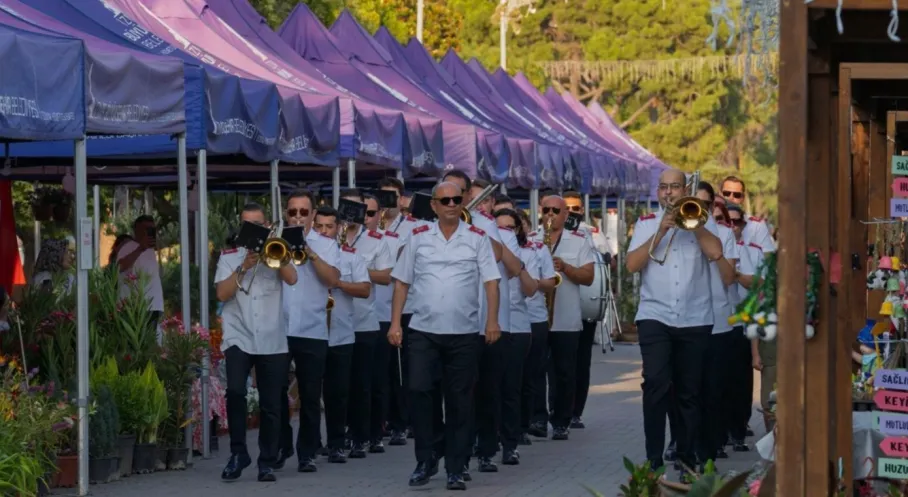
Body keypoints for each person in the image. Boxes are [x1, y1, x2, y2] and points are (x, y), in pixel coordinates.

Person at [388, 181, 501, 491]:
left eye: (456, 199)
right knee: (419, 390)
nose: (451, 204)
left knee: (460, 401)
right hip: (423, 329)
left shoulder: (478, 238)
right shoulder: (418, 237)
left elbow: (492, 282)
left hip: (464, 332)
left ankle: (455, 465)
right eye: (445, 200)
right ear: (434, 206)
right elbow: (401, 283)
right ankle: (427, 457)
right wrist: (395, 323)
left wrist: (492, 321)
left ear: (463, 202)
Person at [625, 169, 725, 474]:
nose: (669, 192)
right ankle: (653, 459)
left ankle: (685, 456)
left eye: (675, 187)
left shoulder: (703, 221)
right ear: (658, 192)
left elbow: (716, 253)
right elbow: (631, 265)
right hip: (655, 315)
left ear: (685, 190)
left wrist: (693, 224)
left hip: (695, 318)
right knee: (655, 385)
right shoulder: (645, 224)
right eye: (664, 187)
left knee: (688, 392)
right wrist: (662, 231)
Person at [215, 203, 298, 482]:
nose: (251, 229)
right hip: (238, 334)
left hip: (272, 337)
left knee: (272, 403)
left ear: (267, 226)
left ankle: (267, 460)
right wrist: (243, 266)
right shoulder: (229, 256)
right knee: (236, 392)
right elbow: (222, 294)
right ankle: (238, 453)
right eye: (246, 224)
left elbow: (293, 278)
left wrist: (276, 252)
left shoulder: (277, 251)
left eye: (257, 224)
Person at [277, 194, 342, 473]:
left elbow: (332, 280)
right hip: (279, 327)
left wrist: (309, 251)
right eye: (293, 211)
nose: (298, 216)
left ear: (313, 213)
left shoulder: (326, 244)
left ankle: (307, 452)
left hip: (313, 329)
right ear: (286, 213)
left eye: (304, 211)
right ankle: (280, 445)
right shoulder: (275, 242)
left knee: (311, 395)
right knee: (275, 393)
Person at [529, 195, 596, 441]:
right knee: (535, 369)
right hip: (537, 315)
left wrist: (565, 268)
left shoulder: (579, 241)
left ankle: (561, 420)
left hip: (566, 316)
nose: (550, 215)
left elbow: (588, 277)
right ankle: (537, 417)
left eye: (555, 211)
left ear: (565, 215)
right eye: (546, 210)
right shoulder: (531, 240)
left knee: (565, 372)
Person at [341, 190, 394, 456]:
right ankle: (342, 434)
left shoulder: (376, 240)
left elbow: (386, 277)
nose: (353, 215)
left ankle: (368, 434)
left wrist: (356, 270)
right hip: (335, 322)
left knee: (366, 383)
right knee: (341, 384)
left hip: (365, 321)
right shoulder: (330, 235)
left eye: (359, 210)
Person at [693, 182, 738, 466]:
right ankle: (684, 442)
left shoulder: (724, 234)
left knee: (713, 389)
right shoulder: (677, 233)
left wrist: (715, 252)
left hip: (718, 320)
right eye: (694, 203)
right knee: (686, 388)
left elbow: (729, 277)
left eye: (706, 204)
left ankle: (709, 446)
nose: (701, 209)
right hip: (686, 320)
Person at [321, 209, 371, 462]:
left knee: (339, 393)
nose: (324, 231)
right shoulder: (302, 256)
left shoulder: (350, 256)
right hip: (311, 333)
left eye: (329, 226)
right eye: (319, 226)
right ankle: (310, 445)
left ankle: (337, 443)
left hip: (341, 333)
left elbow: (365, 289)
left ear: (339, 228)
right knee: (311, 394)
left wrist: (338, 283)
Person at [493, 208, 539, 464]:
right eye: (498, 227)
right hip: (487, 325)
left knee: (511, 388)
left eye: (509, 228)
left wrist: (508, 254)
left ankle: (510, 443)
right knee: (488, 388)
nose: (503, 232)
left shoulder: (527, 253)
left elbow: (531, 288)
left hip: (518, 326)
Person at [562, 190, 610, 429]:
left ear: (582, 210)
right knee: (560, 363)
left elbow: (607, 261)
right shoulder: (547, 232)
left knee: (581, 361)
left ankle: (575, 412)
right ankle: (558, 409)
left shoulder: (593, 233)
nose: (571, 213)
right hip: (560, 306)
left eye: (576, 209)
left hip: (586, 305)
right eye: (567, 208)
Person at [374, 177, 414, 446]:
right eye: (382, 196)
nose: (387, 202)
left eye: (392, 196)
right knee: (381, 371)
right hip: (374, 308)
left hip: (404, 307)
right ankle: (383, 421)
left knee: (403, 370)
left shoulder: (411, 226)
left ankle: (403, 421)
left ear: (401, 199)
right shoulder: (371, 224)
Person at [730, 203, 767, 441]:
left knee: (742, 384)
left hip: (745, 323)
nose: (732, 227)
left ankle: (740, 428)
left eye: (737, 222)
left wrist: (733, 274)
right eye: (727, 221)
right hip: (717, 323)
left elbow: (760, 285)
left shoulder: (753, 251)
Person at [117, 215, 164, 326]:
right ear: (136, 229)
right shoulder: (128, 247)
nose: (149, 232)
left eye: (152, 229)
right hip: (137, 306)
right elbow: (119, 267)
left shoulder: (151, 250)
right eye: (146, 229)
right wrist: (140, 249)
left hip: (154, 304)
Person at [719, 176, 775, 253]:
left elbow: (767, 257)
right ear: (719, 194)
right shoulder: (708, 222)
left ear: (743, 198)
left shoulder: (756, 226)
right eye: (726, 193)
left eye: (737, 195)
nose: (731, 198)